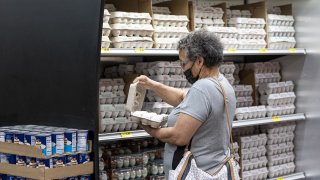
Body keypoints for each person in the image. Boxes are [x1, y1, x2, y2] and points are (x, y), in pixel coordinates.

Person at [134, 30, 237, 179]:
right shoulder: (222, 83)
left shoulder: (202, 88)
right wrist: (153, 85)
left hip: (195, 172)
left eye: (184, 63)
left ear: (199, 61)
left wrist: (146, 126)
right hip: (215, 169)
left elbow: (178, 137)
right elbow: (183, 98)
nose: (183, 69)